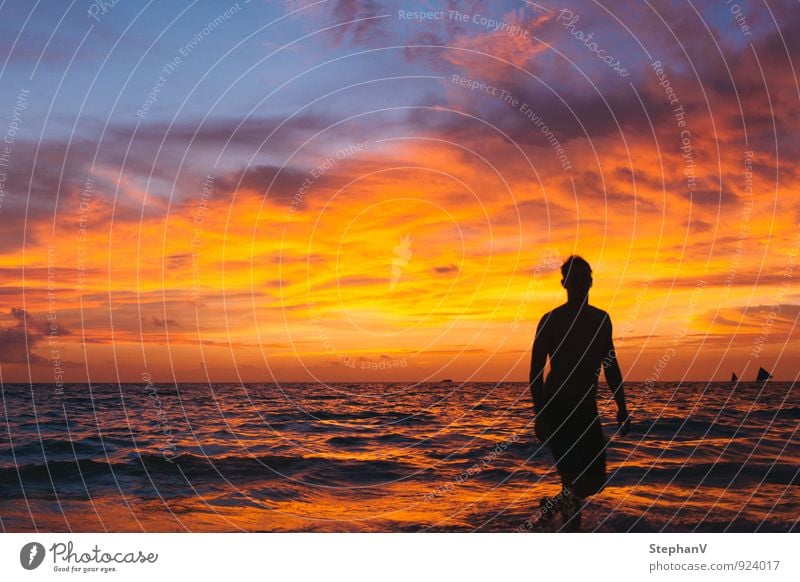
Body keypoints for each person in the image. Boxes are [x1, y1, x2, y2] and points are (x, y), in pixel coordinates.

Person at [529, 255, 630, 531]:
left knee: (595, 481)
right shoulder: (550, 321)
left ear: (591, 282)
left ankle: (555, 506)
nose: (579, 283)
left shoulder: (600, 320)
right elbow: (536, 372)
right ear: (564, 284)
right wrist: (540, 415)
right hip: (558, 410)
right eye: (574, 279)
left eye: (584, 278)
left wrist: (622, 408)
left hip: (587, 411)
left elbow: (610, 365)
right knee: (572, 481)